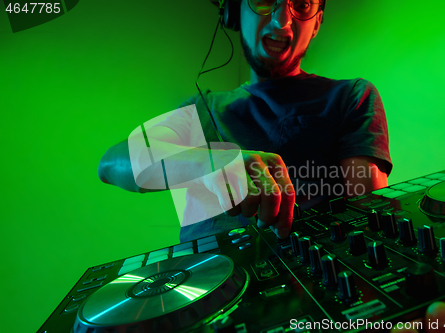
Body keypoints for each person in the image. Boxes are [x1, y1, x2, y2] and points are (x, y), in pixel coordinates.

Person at [98, 0, 391, 242]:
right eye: (265, 0)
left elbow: (369, 217)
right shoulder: (202, 107)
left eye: (301, 5)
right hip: (201, 288)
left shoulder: (351, 95)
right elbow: (111, 165)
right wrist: (208, 163)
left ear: (316, 23)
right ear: (235, 11)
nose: (281, 22)